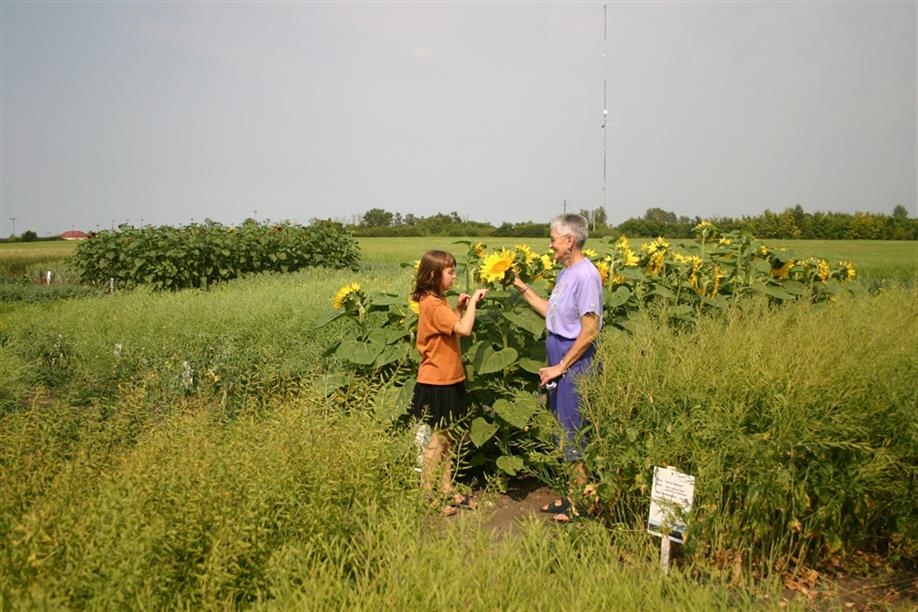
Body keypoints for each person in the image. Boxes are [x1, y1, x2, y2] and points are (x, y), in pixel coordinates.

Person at [511, 213, 603, 522]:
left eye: (553, 239)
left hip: (573, 362)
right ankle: (572, 496)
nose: (549, 245)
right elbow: (552, 313)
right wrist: (520, 285)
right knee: (561, 433)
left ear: (569, 241)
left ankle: (584, 506)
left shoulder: (587, 275)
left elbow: (590, 330)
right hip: (559, 359)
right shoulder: (566, 273)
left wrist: (560, 366)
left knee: (573, 433)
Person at [411, 249, 487, 516]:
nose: (455, 277)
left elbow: (449, 326)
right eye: (450, 272)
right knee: (438, 439)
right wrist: (475, 302)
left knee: (450, 436)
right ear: (433, 275)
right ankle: (427, 494)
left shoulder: (438, 302)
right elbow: (464, 330)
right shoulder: (431, 303)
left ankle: (445, 487)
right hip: (437, 381)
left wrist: (458, 309)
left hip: (449, 376)